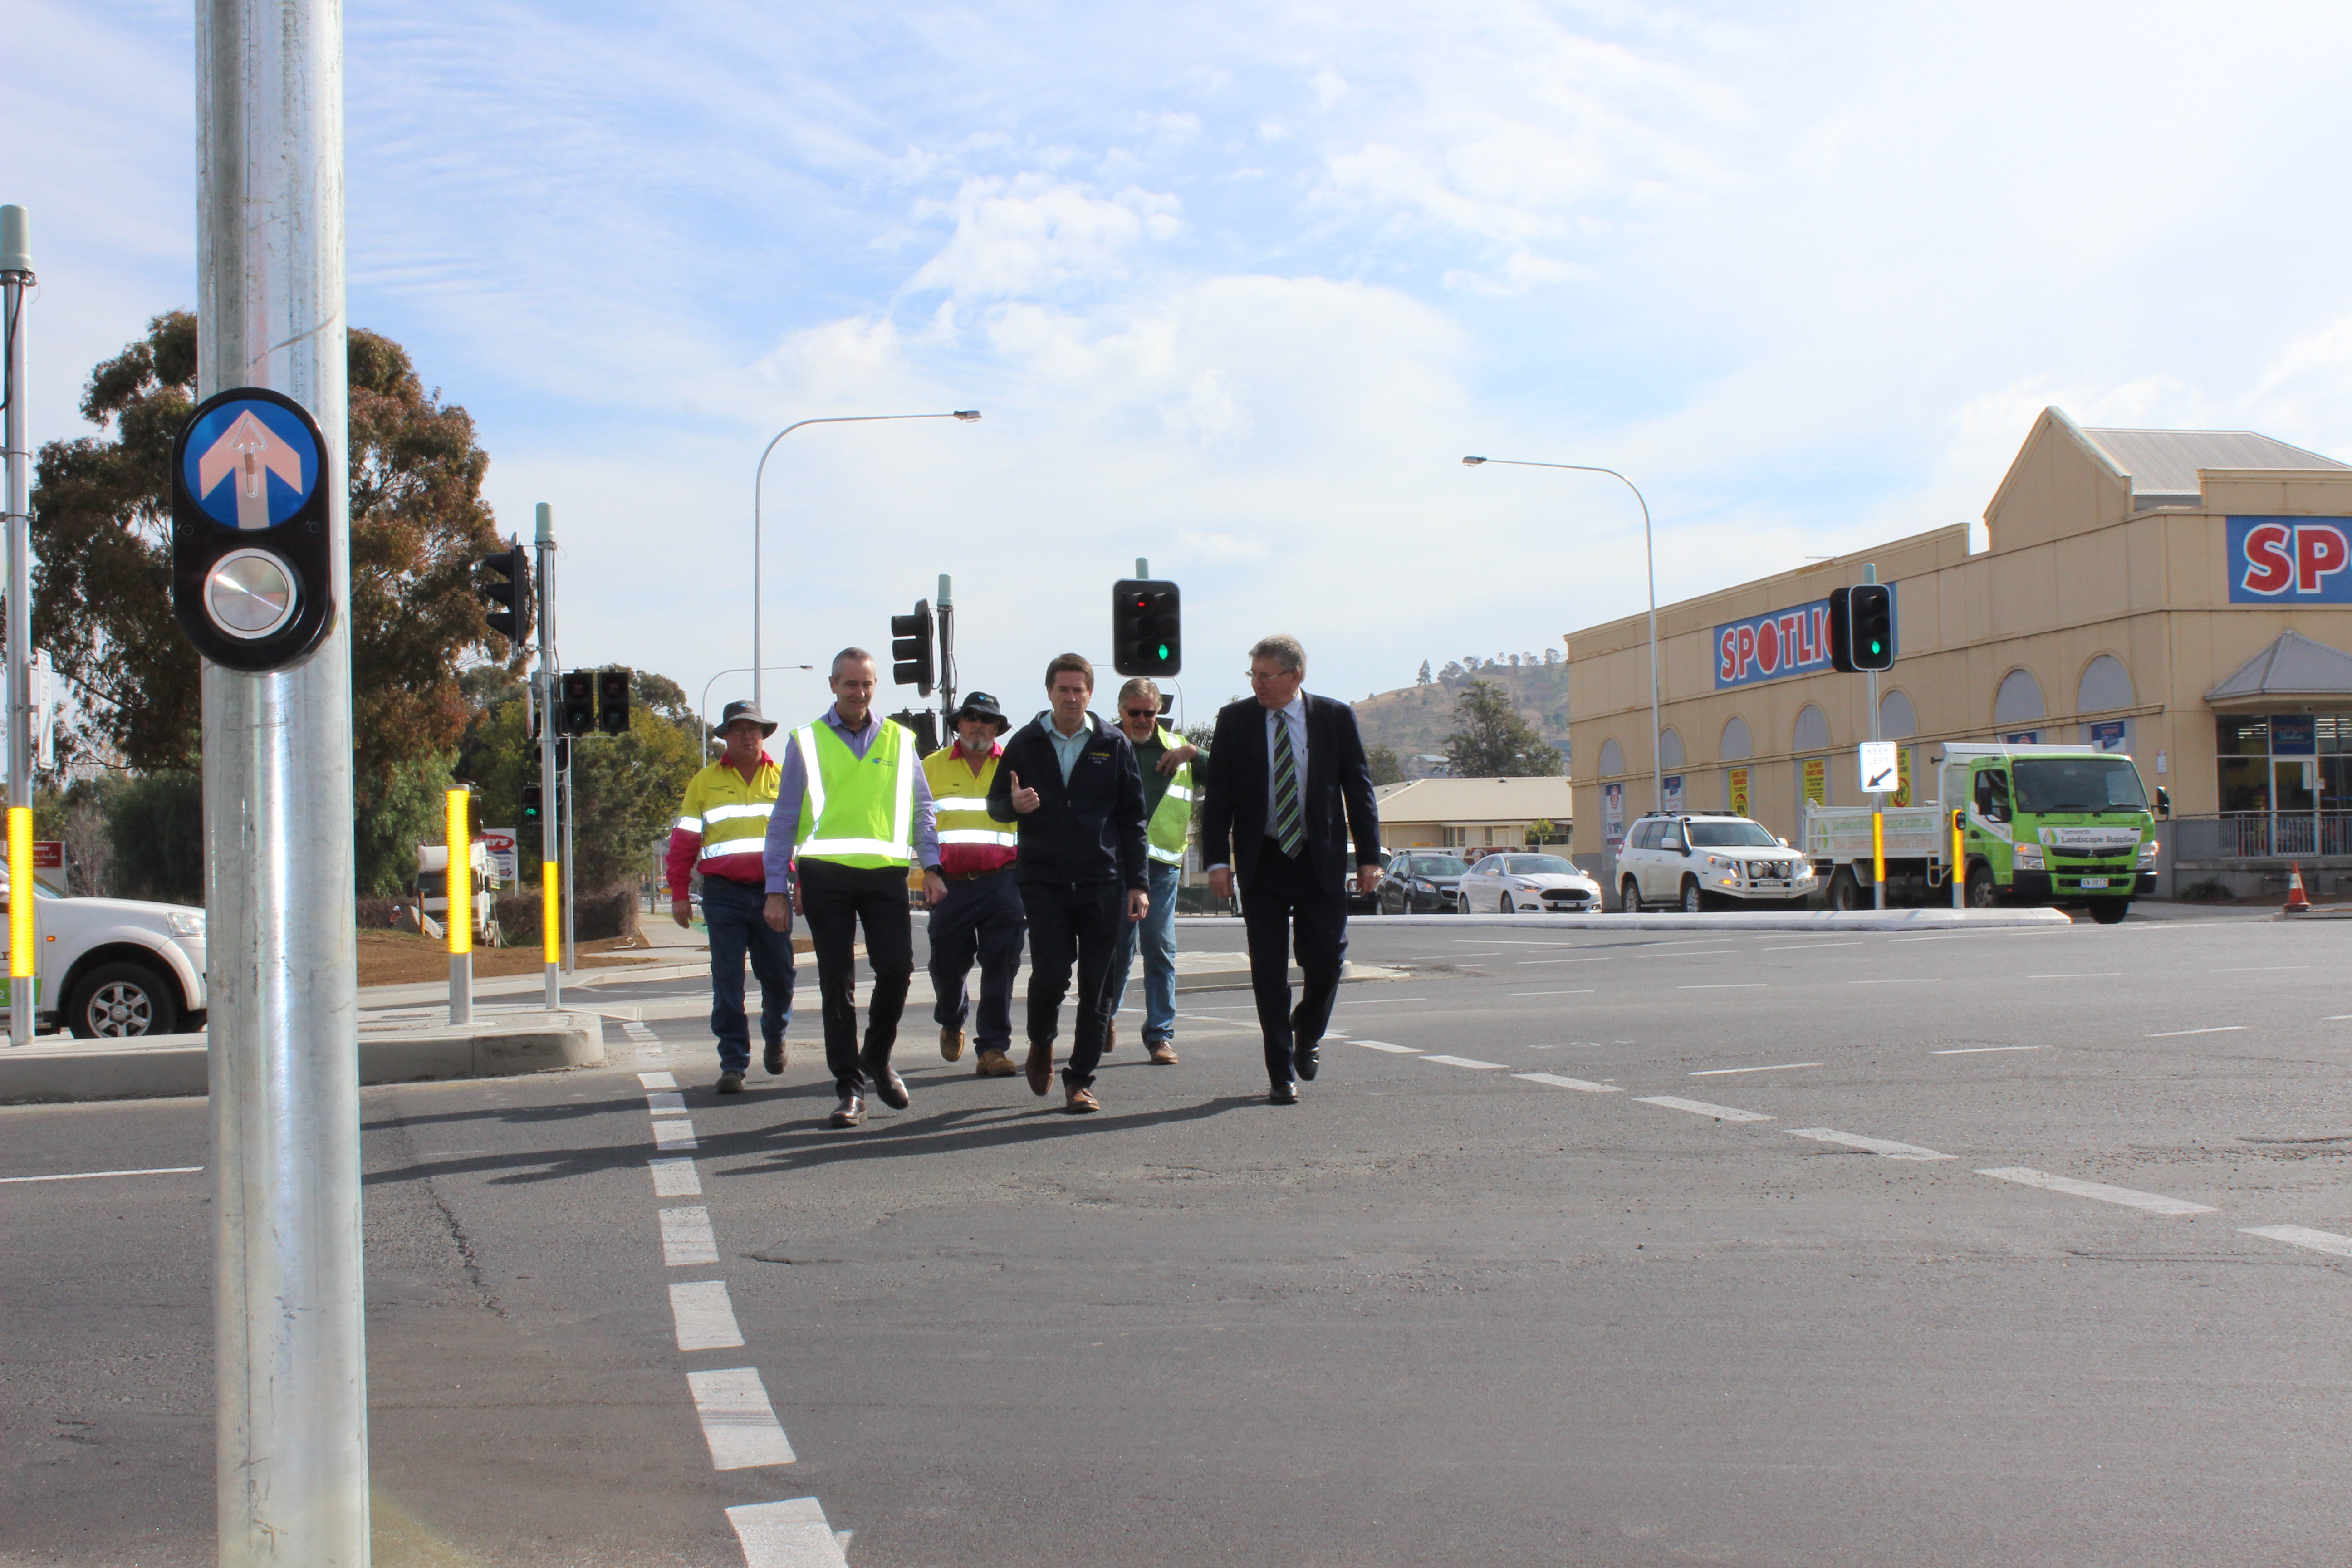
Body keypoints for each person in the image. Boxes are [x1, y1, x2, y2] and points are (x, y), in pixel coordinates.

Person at [762, 649, 945, 1129]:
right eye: (850, 685)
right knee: (836, 982)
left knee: (898, 969)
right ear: (833, 686)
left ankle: (877, 1057)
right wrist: (776, 888)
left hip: (885, 874)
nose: (859, 693)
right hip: (825, 874)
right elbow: (783, 821)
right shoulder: (806, 741)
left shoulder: (903, 742)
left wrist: (931, 866)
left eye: (867, 685)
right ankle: (849, 1089)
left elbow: (922, 810)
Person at [1196, 635, 1382, 1105]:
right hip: (1264, 860)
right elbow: (1218, 798)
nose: (1256, 684)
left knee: (1327, 960)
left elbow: (1358, 790)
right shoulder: (1235, 721)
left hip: (1317, 859)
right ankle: (1280, 1072)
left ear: (1295, 676)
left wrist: (1369, 857)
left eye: (1265, 676)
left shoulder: (1334, 718)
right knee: (1269, 971)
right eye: (1252, 675)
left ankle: (1308, 1030)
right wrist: (1218, 862)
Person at [984, 652, 1148, 1114]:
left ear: (1090, 694)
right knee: (1052, 975)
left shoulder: (1113, 743)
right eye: (1063, 689)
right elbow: (997, 804)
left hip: (1104, 882)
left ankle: (1080, 1080)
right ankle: (1041, 1043)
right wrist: (1013, 804)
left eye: (1080, 690)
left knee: (1098, 987)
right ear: (1050, 693)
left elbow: (1132, 819)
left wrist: (1138, 883)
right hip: (1044, 881)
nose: (1072, 697)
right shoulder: (1026, 742)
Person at [664, 700, 795, 1096]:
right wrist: (679, 894)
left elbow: (804, 836)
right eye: (738, 730)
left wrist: (801, 886)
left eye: (753, 729)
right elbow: (684, 841)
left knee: (780, 977)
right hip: (724, 896)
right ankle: (733, 1064)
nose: (747, 736)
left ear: (763, 735)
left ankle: (775, 1034)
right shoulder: (704, 782)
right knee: (727, 982)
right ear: (726, 737)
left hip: (773, 894)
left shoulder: (785, 779)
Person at [923, 691, 1026, 1079]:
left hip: (1003, 883)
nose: (979, 725)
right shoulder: (929, 768)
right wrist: (929, 871)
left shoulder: (1016, 768)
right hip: (949, 885)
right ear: (958, 724)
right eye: (971, 718)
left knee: (1002, 965)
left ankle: (994, 1048)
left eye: (988, 720)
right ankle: (952, 1017)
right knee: (947, 967)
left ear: (997, 728)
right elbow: (918, 826)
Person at [1098, 676, 1198, 1066]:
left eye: (1150, 713)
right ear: (1121, 712)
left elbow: (1225, 766)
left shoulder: (1177, 749)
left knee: (1159, 946)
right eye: (1134, 712)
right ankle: (1104, 1016)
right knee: (1118, 952)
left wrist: (1192, 750)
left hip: (1161, 869)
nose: (1143, 720)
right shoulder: (1104, 746)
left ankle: (1160, 1035)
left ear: (1159, 713)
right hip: (1117, 869)